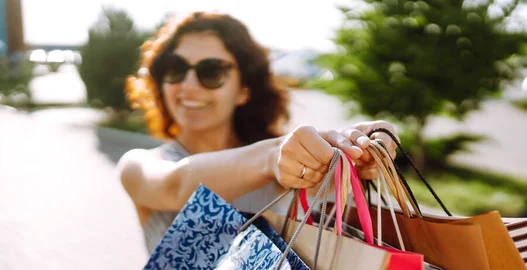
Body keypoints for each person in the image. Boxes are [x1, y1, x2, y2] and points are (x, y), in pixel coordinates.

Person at [118, 11, 399, 253]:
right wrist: (273, 156)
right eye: (175, 69)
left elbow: (327, 192)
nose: (189, 84)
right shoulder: (139, 166)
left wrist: (356, 147)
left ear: (243, 90)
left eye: (211, 72)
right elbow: (175, 185)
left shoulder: (283, 165)